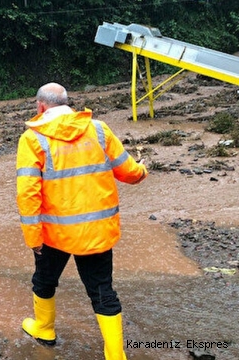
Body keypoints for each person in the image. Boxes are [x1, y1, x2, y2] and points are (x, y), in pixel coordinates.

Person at [15, 82, 147, 360]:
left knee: (44, 281)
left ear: (40, 107)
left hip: (55, 233)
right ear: (67, 103)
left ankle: (44, 329)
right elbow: (129, 171)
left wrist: (33, 237)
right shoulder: (99, 129)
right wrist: (143, 171)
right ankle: (116, 355)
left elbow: (28, 193)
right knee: (102, 291)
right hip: (96, 231)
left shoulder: (33, 139)